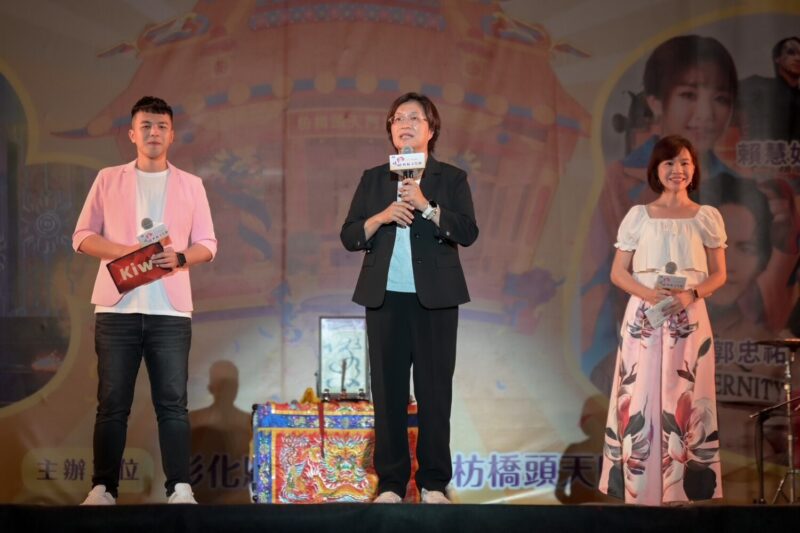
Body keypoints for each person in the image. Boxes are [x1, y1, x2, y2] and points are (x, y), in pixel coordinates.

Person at [73, 96, 217, 505]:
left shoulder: (191, 184)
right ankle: (103, 487)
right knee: (112, 403)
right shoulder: (108, 178)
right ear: (132, 134)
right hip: (116, 306)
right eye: (146, 126)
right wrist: (125, 252)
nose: (154, 132)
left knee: (173, 404)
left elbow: (208, 243)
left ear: (172, 135)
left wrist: (181, 258)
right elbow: (82, 236)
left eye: (161, 126)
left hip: (169, 311)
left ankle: (180, 488)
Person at [340, 92, 478, 504]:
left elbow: (467, 231)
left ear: (431, 129)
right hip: (385, 299)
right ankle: (391, 484)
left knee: (435, 394)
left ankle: (434, 482)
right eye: (398, 118)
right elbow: (350, 235)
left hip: (435, 300)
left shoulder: (450, 178)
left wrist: (427, 207)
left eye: (414, 118)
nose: (404, 124)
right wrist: (382, 216)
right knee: (389, 395)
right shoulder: (374, 178)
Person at [598, 135, 727, 505]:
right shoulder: (638, 216)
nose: (677, 170)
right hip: (645, 315)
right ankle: (641, 489)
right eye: (669, 163)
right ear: (656, 169)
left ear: (694, 169)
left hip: (690, 315)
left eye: (685, 162)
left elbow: (719, 274)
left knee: (687, 395)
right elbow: (618, 273)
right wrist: (649, 294)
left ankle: (682, 490)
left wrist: (691, 294)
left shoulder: (706, 217)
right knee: (640, 394)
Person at [739, 36, 800, 142]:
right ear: (777, 58)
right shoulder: (758, 85)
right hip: (761, 150)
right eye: (791, 52)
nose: (798, 58)